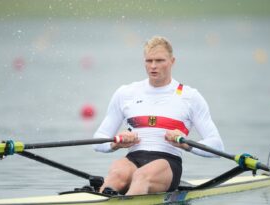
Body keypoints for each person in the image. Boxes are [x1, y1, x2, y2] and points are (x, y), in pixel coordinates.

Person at [93, 36, 224, 195]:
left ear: (172, 61)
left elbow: (217, 146)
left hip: (167, 163)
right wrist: (116, 143)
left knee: (141, 176)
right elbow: (98, 141)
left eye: (160, 60)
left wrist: (186, 144)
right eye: (149, 61)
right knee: (116, 174)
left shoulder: (190, 97)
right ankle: (106, 194)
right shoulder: (126, 93)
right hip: (133, 158)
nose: (153, 66)